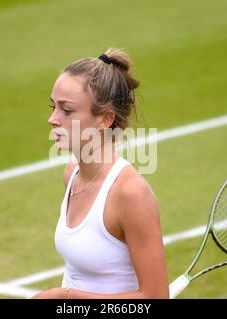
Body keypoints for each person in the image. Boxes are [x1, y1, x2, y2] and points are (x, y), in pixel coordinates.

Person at [32, 48, 169, 299]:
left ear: (104, 119)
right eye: (53, 106)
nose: (53, 119)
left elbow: (154, 299)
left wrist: (67, 297)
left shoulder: (131, 194)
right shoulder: (72, 174)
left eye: (67, 110)